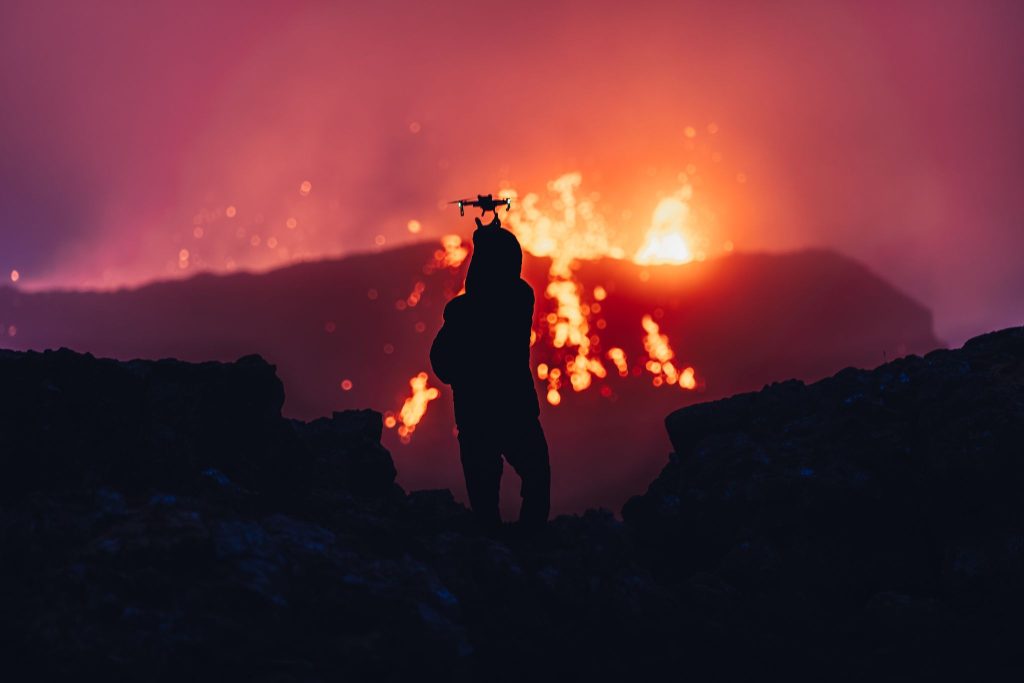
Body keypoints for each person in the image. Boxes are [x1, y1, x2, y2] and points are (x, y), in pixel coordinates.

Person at [430, 218, 550, 533]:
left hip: (476, 417)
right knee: (536, 477)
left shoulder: (460, 313)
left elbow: (441, 363)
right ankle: (530, 544)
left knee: (485, 500)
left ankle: (493, 554)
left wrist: (465, 378)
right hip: (516, 411)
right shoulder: (520, 299)